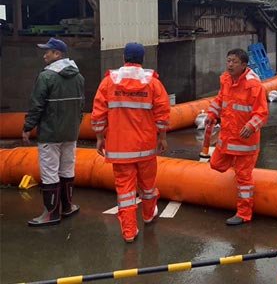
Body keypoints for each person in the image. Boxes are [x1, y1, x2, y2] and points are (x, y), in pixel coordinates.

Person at [91, 43, 170, 243]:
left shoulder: (109, 81)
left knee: (125, 192)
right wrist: (162, 137)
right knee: (148, 185)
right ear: (143, 59)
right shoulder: (152, 82)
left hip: (119, 148)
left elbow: (98, 113)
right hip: (145, 146)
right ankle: (148, 215)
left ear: (123, 57)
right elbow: (162, 113)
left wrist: (100, 137)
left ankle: (129, 232)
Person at [22, 38, 85, 227]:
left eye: (47, 51)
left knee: (50, 172)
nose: (44, 55)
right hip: (71, 132)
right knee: (67, 169)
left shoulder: (46, 77)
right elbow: (81, 105)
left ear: (57, 54)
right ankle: (67, 206)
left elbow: (37, 105)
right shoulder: (79, 77)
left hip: (50, 133)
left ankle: (51, 213)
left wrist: (27, 127)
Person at [206, 48, 269, 225]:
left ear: (244, 65)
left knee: (244, 178)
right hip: (227, 137)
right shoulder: (226, 79)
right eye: (228, 61)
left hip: (245, 143)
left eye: (234, 61)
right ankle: (239, 169)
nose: (230, 64)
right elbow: (220, 100)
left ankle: (244, 213)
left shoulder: (253, 85)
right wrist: (212, 114)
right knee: (215, 164)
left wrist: (251, 125)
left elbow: (262, 113)